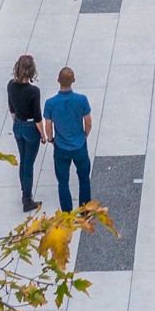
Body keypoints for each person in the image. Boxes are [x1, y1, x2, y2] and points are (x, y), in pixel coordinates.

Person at [41, 67, 94, 213]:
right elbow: (88, 122)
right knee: (84, 178)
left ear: (58, 80)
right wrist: (84, 135)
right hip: (79, 146)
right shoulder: (81, 100)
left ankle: (67, 214)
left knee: (63, 182)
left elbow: (48, 127)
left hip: (61, 148)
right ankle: (85, 210)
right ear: (73, 81)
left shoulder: (50, 103)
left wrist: (52, 140)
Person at [7, 55, 44, 214]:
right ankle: (27, 199)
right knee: (29, 164)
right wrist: (43, 134)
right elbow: (37, 116)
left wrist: (17, 124)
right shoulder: (34, 91)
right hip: (30, 128)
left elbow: (12, 109)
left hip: (18, 125)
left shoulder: (10, 85)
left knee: (23, 161)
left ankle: (24, 191)